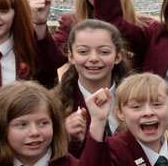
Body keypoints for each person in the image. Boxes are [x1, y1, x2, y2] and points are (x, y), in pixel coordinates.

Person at [55, 19, 133, 155]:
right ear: (71, 56)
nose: (93, 58)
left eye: (104, 52)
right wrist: (63, 136)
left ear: (118, 56)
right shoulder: (54, 104)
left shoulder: (136, 96)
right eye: (83, 52)